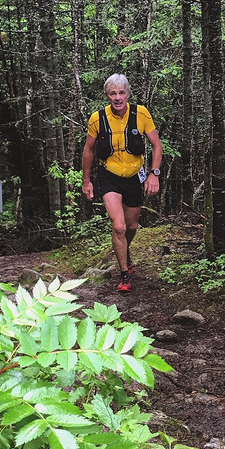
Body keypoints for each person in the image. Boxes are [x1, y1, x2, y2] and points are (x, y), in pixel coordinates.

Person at [82, 74, 162, 293]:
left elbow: (156, 145)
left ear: (127, 94)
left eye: (121, 93)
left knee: (131, 226)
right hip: (109, 175)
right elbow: (88, 150)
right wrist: (86, 181)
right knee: (118, 226)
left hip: (135, 175)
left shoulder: (141, 113)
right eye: (113, 93)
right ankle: (124, 273)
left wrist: (154, 174)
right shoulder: (97, 118)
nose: (117, 98)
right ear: (107, 96)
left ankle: (124, 252)